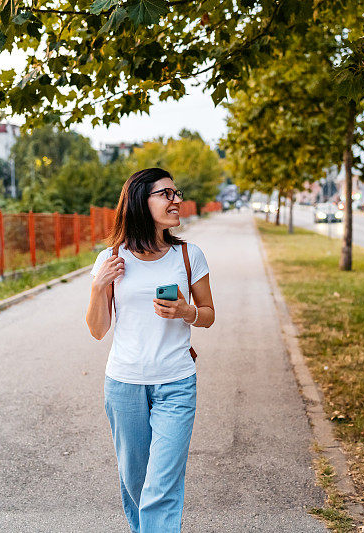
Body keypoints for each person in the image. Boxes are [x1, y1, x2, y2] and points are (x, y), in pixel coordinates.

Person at [85, 167, 215, 532]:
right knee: (135, 482)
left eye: (177, 193)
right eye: (167, 194)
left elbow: (208, 314)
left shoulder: (189, 255)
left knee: (161, 486)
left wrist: (187, 311)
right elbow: (97, 330)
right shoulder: (110, 259)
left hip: (176, 381)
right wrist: (99, 287)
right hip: (124, 384)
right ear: (142, 201)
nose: (177, 200)